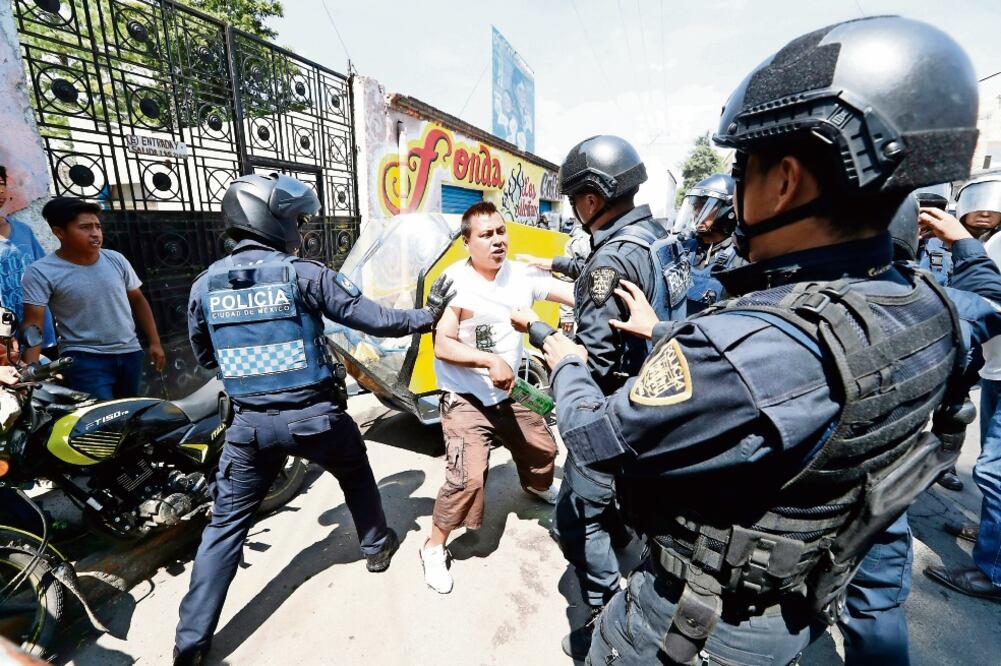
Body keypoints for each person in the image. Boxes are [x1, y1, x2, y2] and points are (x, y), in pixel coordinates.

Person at [533, 16, 981, 665]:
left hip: (692, 627)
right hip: (794, 610)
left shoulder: (745, 346)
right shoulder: (932, 306)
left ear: (785, 180)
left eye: (743, 167)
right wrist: (662, 330)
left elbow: (595, 439)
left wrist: (567, 364)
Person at [174, 173, 455, 666]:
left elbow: (206, 357)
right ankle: (376, 548)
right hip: (316, 419)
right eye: (296, 221)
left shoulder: (205, 285)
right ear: (271, 222)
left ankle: (189, 644)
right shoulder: (304, 275)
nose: (300, 231)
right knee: (356, 474)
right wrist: (427, 314)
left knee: (224, 527)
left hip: (249, 429)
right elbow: (375, 319)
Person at [518, 135, 690, 658]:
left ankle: (602, 615)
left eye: (575, 199)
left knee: (576, 519)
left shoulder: (610, 259)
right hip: (662, 399)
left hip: (615, 412)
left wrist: (541, 334)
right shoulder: (657, 238)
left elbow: (591, 363)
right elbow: (609, 277)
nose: (574, 209)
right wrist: (555, 265)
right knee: (622, 511)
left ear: (591, 199)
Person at [418, 201, 572, 595]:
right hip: (465, 396)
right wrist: (488, 361)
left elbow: (574, 295)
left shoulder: (521, 275)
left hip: (509, 391)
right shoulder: (455, 282)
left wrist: (595, 284)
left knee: (543, 449)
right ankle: (433, 546)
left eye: (501, 231)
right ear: (467, 242)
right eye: (486, 235)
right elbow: (443, 345)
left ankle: (536, 487)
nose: (497, 240)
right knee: (467, 479)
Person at [926, 175, 1001, 603]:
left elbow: (990, 298)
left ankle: (995, 571)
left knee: (995, 470)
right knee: (993, 462)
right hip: (995, 367)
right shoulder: (990, 241)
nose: (986, 209)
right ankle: (992, 536)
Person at [19, 196, 165, 398]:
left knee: (130, 412)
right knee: (101, 415)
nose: (95, 233)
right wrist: (32, 369)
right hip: (84, 359)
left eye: (97, 226)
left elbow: (138, 299)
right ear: (59, 232)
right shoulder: (41, 272)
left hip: (130, 353)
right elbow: (34, 323)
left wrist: (155, 342)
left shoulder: (116, 259)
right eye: (85, 227)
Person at [0, 166, 56, 353]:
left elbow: (45, 274)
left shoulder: (23, 231)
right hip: (4, 341)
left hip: (38, 331)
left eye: (1, 184)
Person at [675, 173, 740, 314]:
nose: (697, 213)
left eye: (704, 206)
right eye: (695, 207)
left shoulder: (740, 258)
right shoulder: (682, 248)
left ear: (728, 210)